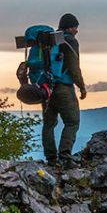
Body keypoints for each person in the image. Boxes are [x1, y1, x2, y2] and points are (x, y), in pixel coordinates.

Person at [42, 13, 87, 165]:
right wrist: (82, 87)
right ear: (70, 27)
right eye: (75, 27)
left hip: (46, 88)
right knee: (72, 122)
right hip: (63, 88)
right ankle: (65, 157)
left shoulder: (50, 40)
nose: (76, 30)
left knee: (48, 124)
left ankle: (51, 158)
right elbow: (74, 68)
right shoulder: (70, 41)